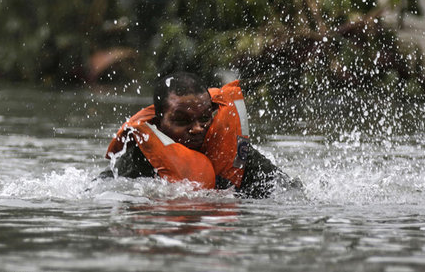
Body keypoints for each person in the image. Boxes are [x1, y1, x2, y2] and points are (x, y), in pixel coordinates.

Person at [99, 72, 300, 198]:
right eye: (182, 120)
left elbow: (291, 192)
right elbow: (101, 191)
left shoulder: (237, 155)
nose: (197, 128)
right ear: (159, 123)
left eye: (204, 118)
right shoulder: (138, 157)